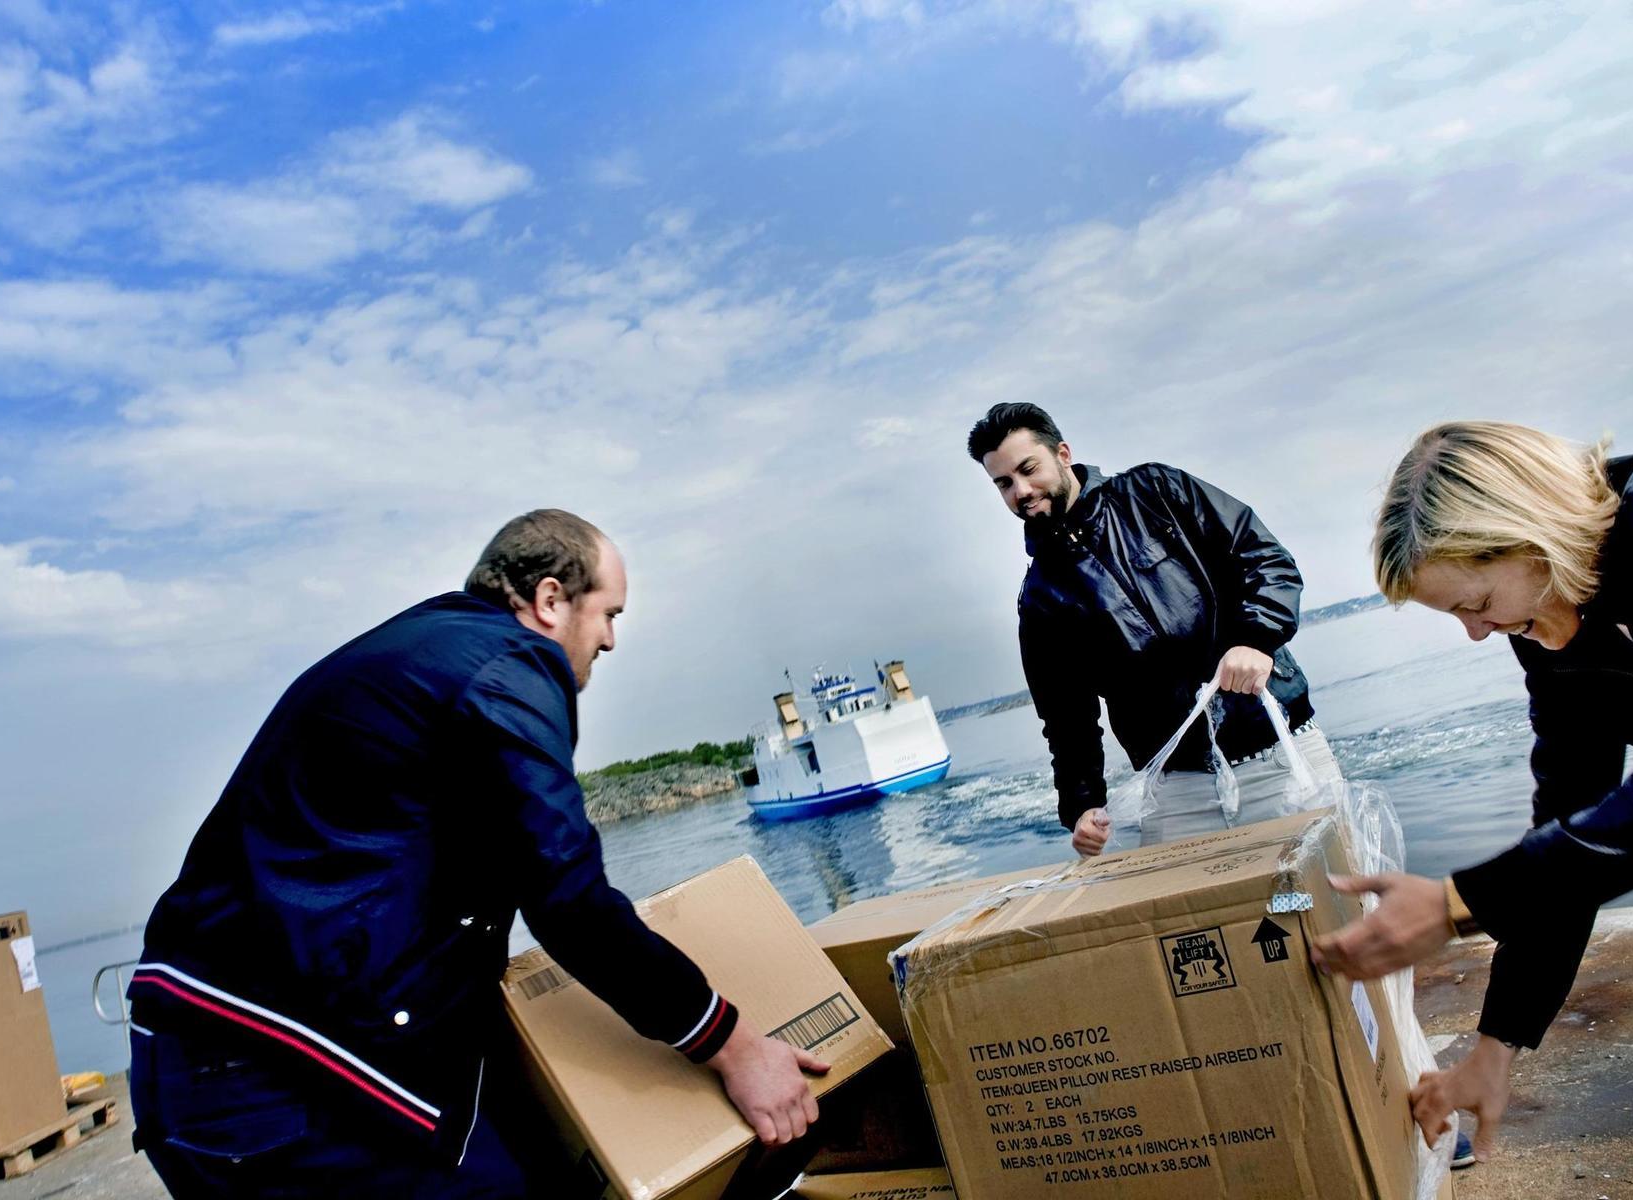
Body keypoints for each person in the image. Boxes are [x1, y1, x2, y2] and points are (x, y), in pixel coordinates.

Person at [127, 510, 826, 1198]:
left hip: (196, 1065)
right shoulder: (507, 667)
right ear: (551, 599)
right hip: (273, 1077)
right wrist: (732, 1046)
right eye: (609, 612)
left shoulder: (421, 648)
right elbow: (569, 899)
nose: (611, 640)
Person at [1312, 423, 1633, 1163]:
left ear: (1528, 534)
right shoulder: (1550, 623)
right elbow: (1569, 832)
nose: (1477, 635)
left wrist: (1458, 902)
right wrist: (1496, 1046)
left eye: (1475, 602)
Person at [967, 402, 1341, 853]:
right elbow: (1067, 719)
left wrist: (1255, 641)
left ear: (1063, 454)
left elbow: (1266, 560)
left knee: (1330, 906)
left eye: (1029, 469)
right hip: (1175, 789)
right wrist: (1082, 805)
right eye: (1004, 484)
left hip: (1276, 754)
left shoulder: (1156, 490)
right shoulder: (1040, 599)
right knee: (1190, 923)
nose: (1021, 491)